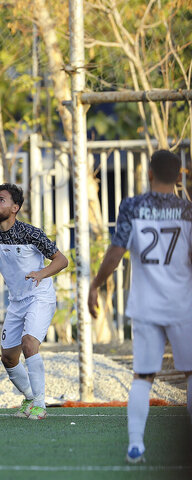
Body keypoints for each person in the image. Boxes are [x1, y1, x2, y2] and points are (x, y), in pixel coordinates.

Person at [87, 150, 192, 464]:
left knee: (143, 377)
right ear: (178, 177)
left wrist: (96, 284)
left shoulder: (131, 207)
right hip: (182, 304)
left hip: (145, 305)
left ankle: (135, 445)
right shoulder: (187, 210)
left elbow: (116, 252)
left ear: (148, 174)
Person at [0, 183, 68, 420]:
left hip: (39, 296)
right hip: (17, 301)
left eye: (1, 200)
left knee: (29, 343)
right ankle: (30, 398)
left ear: (15, 207)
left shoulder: (31, 233)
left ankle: (40, 405)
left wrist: (41, 274)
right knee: (9, 357)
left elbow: (61, 260)